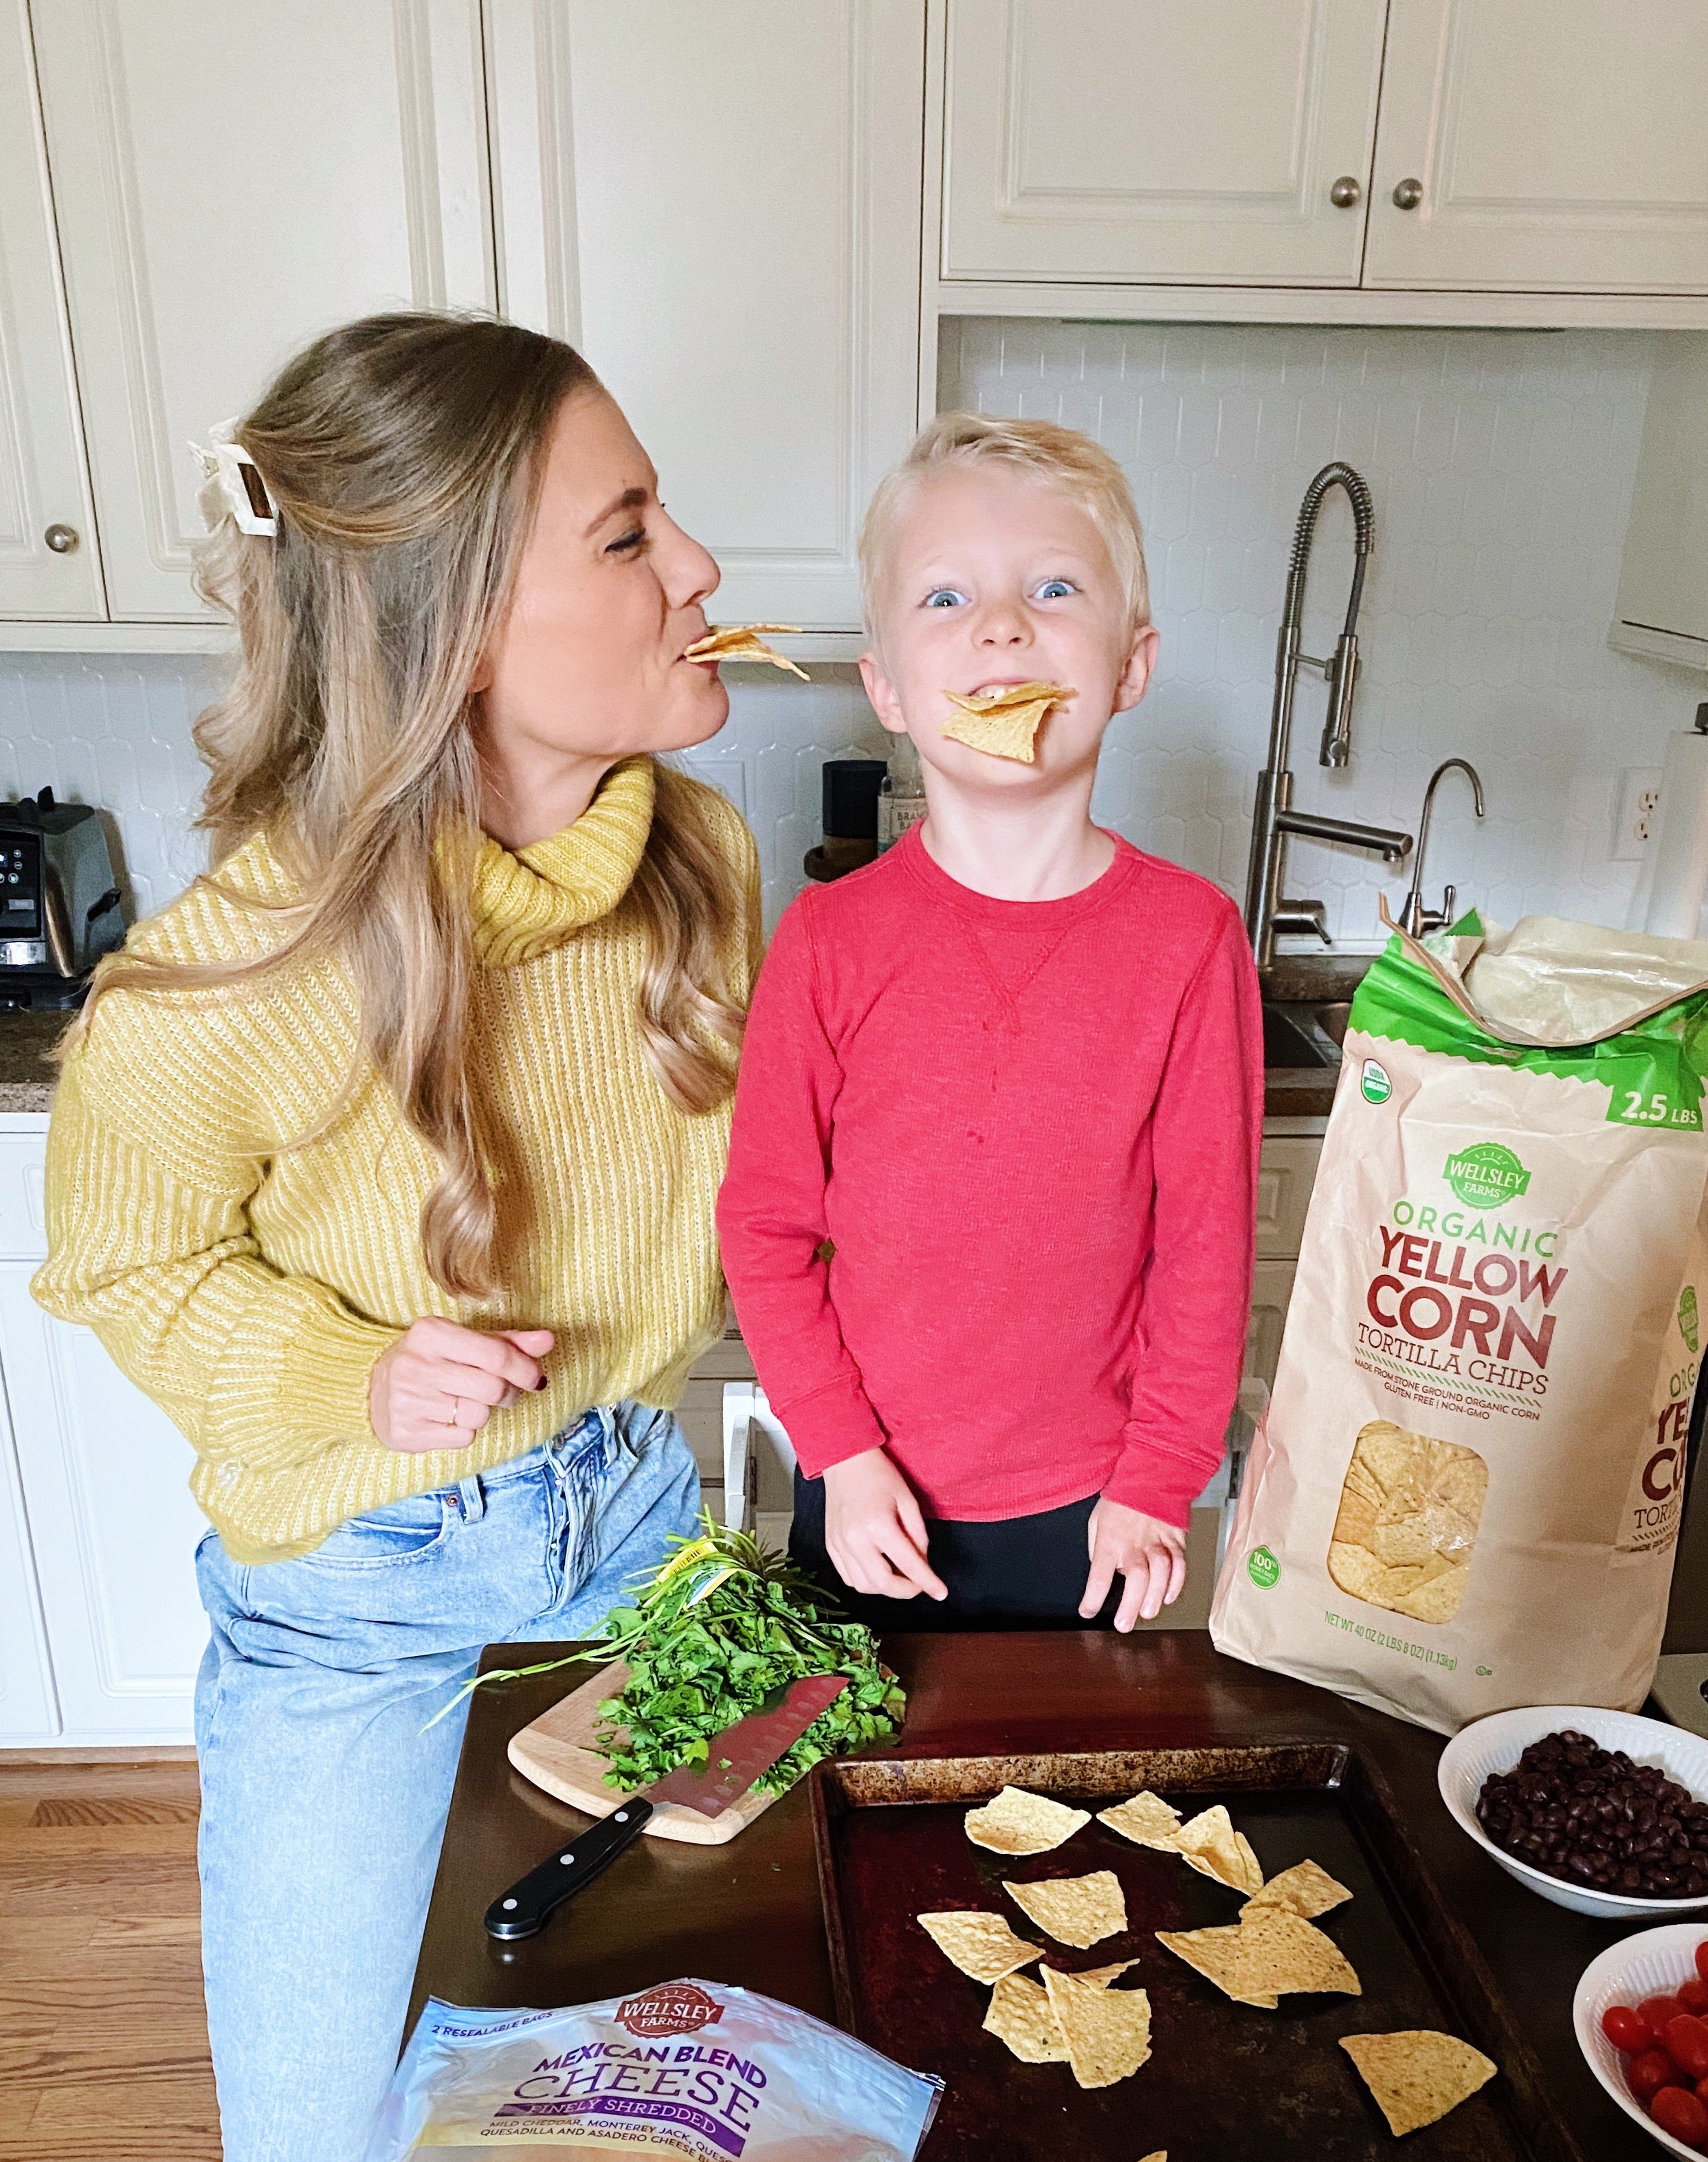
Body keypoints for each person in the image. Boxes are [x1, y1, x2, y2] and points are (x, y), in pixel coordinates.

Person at [32, 313, 761, 2162]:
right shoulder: (231, 971)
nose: (698, 570)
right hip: (355, 1603)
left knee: (722, 2038)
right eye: (627, 534)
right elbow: (126, 1265)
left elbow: (780, 1184)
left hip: (635, 1517)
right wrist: (348, 1368)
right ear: (453, 634)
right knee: (319, 2125)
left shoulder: (705, 867)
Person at [718, 413, 1263, 1635]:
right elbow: (762, 1228)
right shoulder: (827, 941)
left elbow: (1204, 1249)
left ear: (1129, 666)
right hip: (863, 1493)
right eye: (947, 595)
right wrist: (839, 1450)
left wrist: (1158, 1479)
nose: (1001, 625)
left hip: (1094, 1512)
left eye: (1053, 587)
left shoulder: (1188, 942)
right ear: (889, 689)